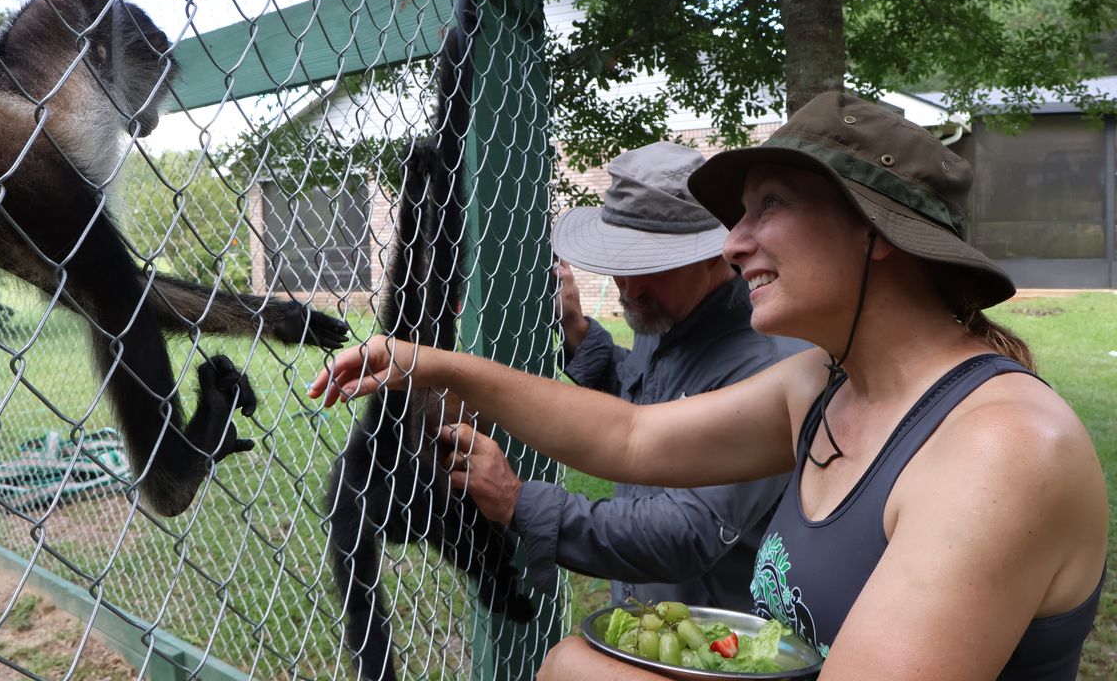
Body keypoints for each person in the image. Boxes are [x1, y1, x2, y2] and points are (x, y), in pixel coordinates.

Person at [311, 91, 1108, 680]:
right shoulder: (824, 384)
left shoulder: (998, 451)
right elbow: (630, 437)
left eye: (769, 206)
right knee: (571, 667)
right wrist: (432, 363)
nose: (734, 243)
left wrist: (523, 507)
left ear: (876, 235)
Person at [453, 141, 805, 610]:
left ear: (714, 254)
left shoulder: (767, 359)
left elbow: (687, 534)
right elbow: (653, 403)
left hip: (722, 638)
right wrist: (579, 334)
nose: (631, 288)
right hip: (650, 617)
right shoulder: (668, 311)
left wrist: (518, 501)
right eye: (622, 264)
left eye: (653, 267)